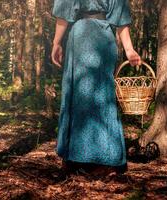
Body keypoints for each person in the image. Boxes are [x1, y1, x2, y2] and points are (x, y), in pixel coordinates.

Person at [51, 0, 141, 174]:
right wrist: (128, 49)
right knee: (101, 95)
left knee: (80, 95)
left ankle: (77, 159)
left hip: (81, 35)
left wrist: (56, 42)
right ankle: (100, 159)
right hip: (103, 36)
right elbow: (120, 17)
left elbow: (64, 12)